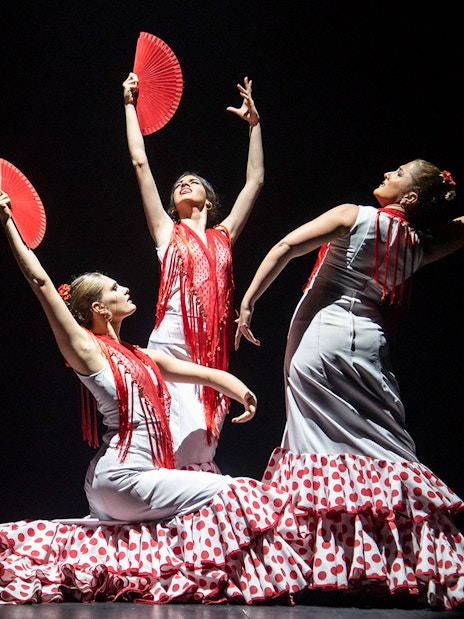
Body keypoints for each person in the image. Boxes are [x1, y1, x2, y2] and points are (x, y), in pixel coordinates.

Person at [0, 189, 309, 604]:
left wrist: (240, 391)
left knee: (209, 495)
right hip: (123, 478)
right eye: (113, 288)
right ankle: (234, 583)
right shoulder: (86, 349)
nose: (125, 287)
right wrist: (6, 223)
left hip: (123, 479)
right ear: (100, 310)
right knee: (232, 491)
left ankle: (196, 580)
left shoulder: (141, 356)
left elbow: (201, 373)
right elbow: (41, 283)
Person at [235, 159, 464, 610]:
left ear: (410, 197)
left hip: (326, 331)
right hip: (370, 340)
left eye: (399, 173)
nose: (387, 173)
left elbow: (286, 246)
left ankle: (317, 563)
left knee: (313, 444)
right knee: (383, 443)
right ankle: (413, 561)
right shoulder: (421, 244)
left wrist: (248, 302)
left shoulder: (353, 214)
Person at [123, 72, 264, 474]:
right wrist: (130, 106)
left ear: (208, 199)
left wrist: (255, 125)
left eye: (193, 182)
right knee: (169, 444)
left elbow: (254, 182)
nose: (184, 184)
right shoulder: (167, 233)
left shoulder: (223, 236)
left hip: (212, 353)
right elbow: (139, 162)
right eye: (179, 185)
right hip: (169, 344)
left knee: (201, 446)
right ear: (172, 203)